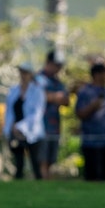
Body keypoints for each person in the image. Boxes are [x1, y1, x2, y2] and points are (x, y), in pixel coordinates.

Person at [3, 62, 46, 180]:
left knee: (35, 162)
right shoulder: (13, 90)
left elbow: (37, 114)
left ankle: (39, 187)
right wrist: (9, 128)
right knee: (18, 162)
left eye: (26, 72)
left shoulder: (37, 91)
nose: (23, 75)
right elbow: (9, 112)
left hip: (31, 131)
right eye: (21, 72)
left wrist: (20, 126)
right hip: (15, 132)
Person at [37, 50, 69, 179]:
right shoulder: (38, 79)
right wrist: (55, 97)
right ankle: (42, 180)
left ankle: (47, 178)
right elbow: (39, 97)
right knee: (42, 157)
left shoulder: (58, 82)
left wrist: (53, 97)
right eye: (56, 65)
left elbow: (66, 100)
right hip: (40, 125)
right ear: (48, 63)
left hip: (54, 125)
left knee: (51, 158)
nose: (58, 68)